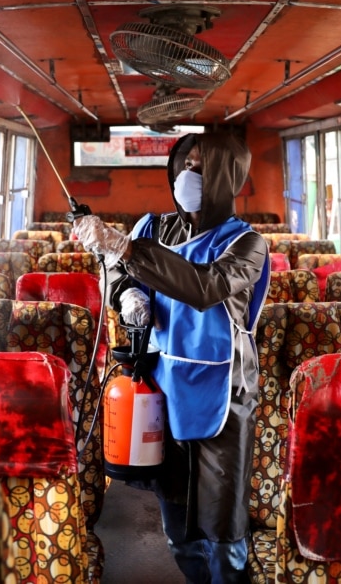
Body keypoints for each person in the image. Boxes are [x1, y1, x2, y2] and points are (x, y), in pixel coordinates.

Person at [72, 132, 269, 583]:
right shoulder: (153, 229)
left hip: (224, 393)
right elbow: (121, 276)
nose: (187, 175)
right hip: (162, 384)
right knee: (175, 515)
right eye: (183, 165)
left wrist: (123, 248)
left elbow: (205, 287)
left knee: (223, 526)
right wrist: (127, 297)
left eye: (199, 167)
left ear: (224, 177)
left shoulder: (246, 244)